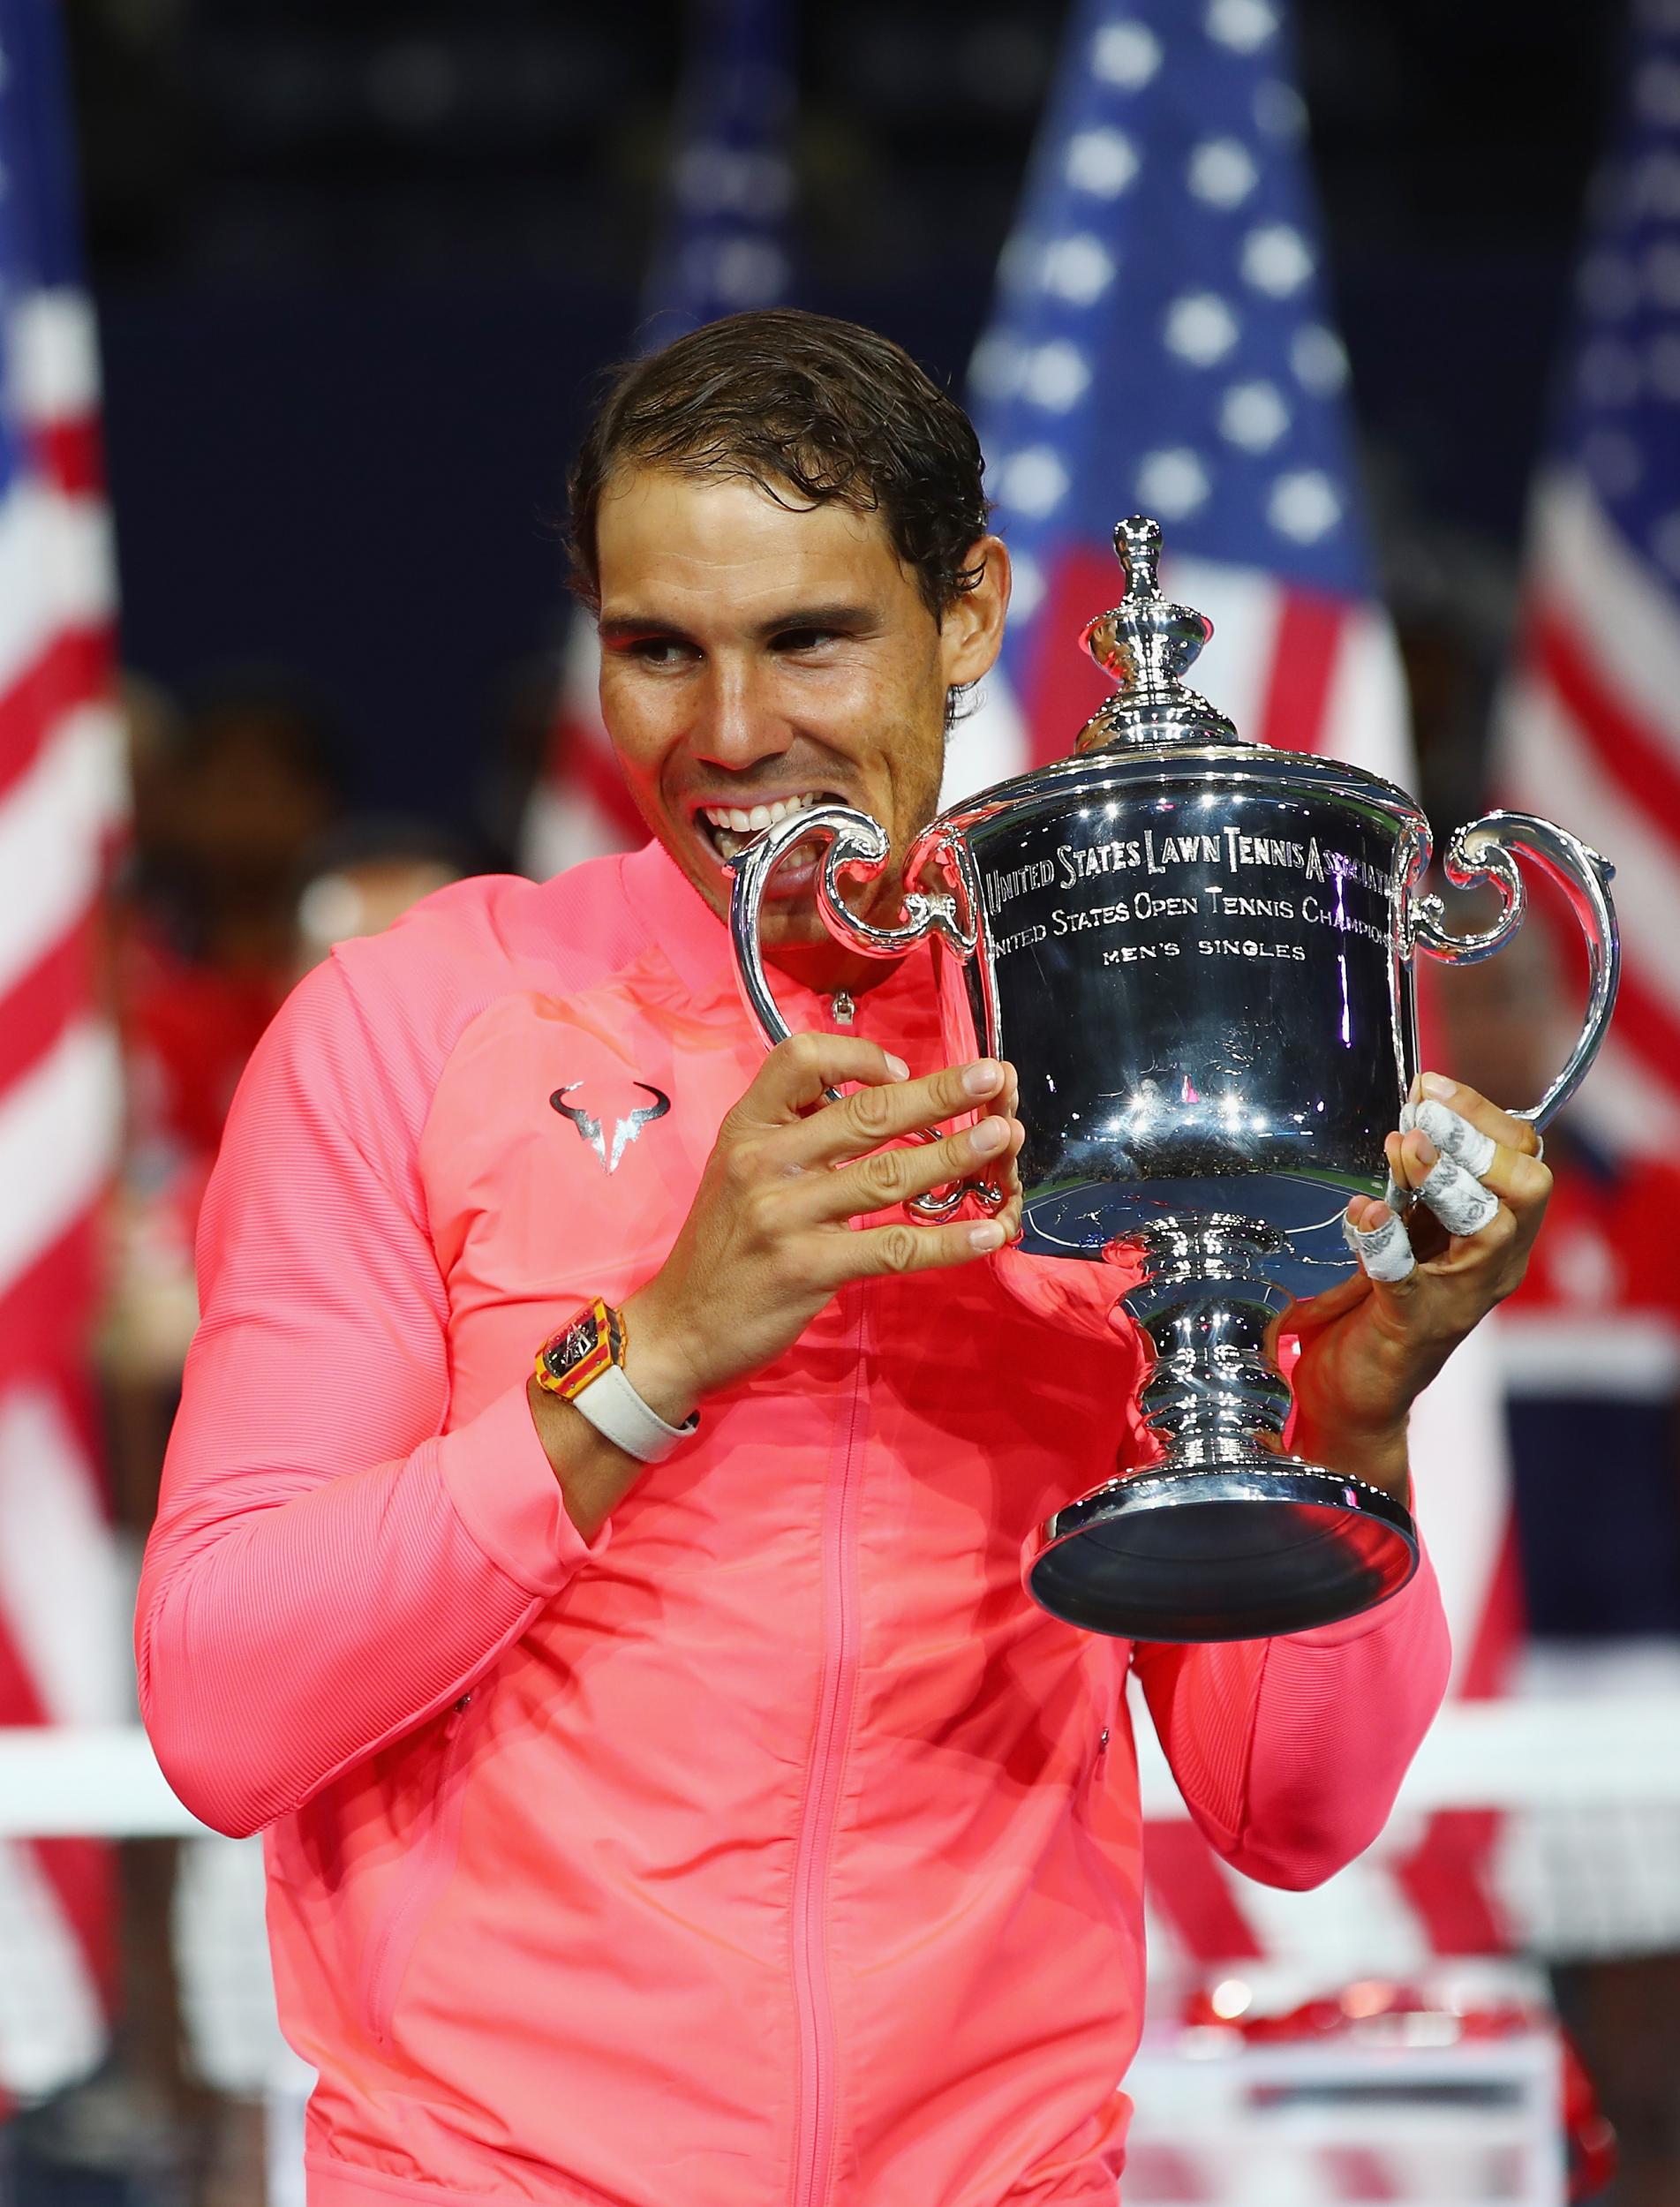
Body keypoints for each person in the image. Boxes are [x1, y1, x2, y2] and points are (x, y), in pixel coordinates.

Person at [137, 311, 1551, 2207]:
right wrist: (651, 1350)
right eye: (658, 648)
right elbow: (227, 1702)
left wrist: (1354, 1413)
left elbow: (1290, 1809)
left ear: (965, 615)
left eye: (809, 637)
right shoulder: (416, 1021)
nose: (729, 735)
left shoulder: (1101, 1046)